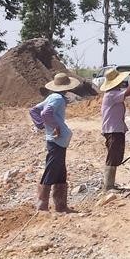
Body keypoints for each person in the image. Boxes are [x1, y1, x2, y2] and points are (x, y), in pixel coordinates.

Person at [28, 72, 81, 212]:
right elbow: (45, 113)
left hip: (56, 140)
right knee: (52, 170)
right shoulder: (58, 99)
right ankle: (42, 205)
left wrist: (42, 125)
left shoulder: (52, 96)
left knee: (60, 171)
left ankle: (61, 206)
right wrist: (55, 126)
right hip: (56, 140)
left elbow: (34, 110)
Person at [99, 66, 130, 190]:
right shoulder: (111, 94)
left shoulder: (114, 93)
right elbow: (129, 92)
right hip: (113, 129)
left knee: (116, 155)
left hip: (116, 128)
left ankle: (110, 183)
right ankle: (108, 184)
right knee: (112, 156)